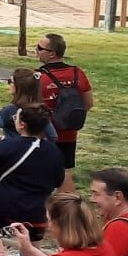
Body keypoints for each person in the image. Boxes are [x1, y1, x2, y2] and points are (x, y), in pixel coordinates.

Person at [0, 99, 67, 239]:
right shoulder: (55, 152)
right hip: (36, 216)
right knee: (30, 253)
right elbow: (58, 181)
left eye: (15, 117)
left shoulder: (7, 145)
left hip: (2, 211)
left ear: (22, 124)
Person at [34, 32, 95, 188]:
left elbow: (32, 107)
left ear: (52, 54)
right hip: (69, 134)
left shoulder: (39, 77)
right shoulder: (77, 73)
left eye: (40, 48)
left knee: (40, 173)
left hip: (44, 135)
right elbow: (88, 103)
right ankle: (68, 209)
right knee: (65, 172)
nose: (36, 50)